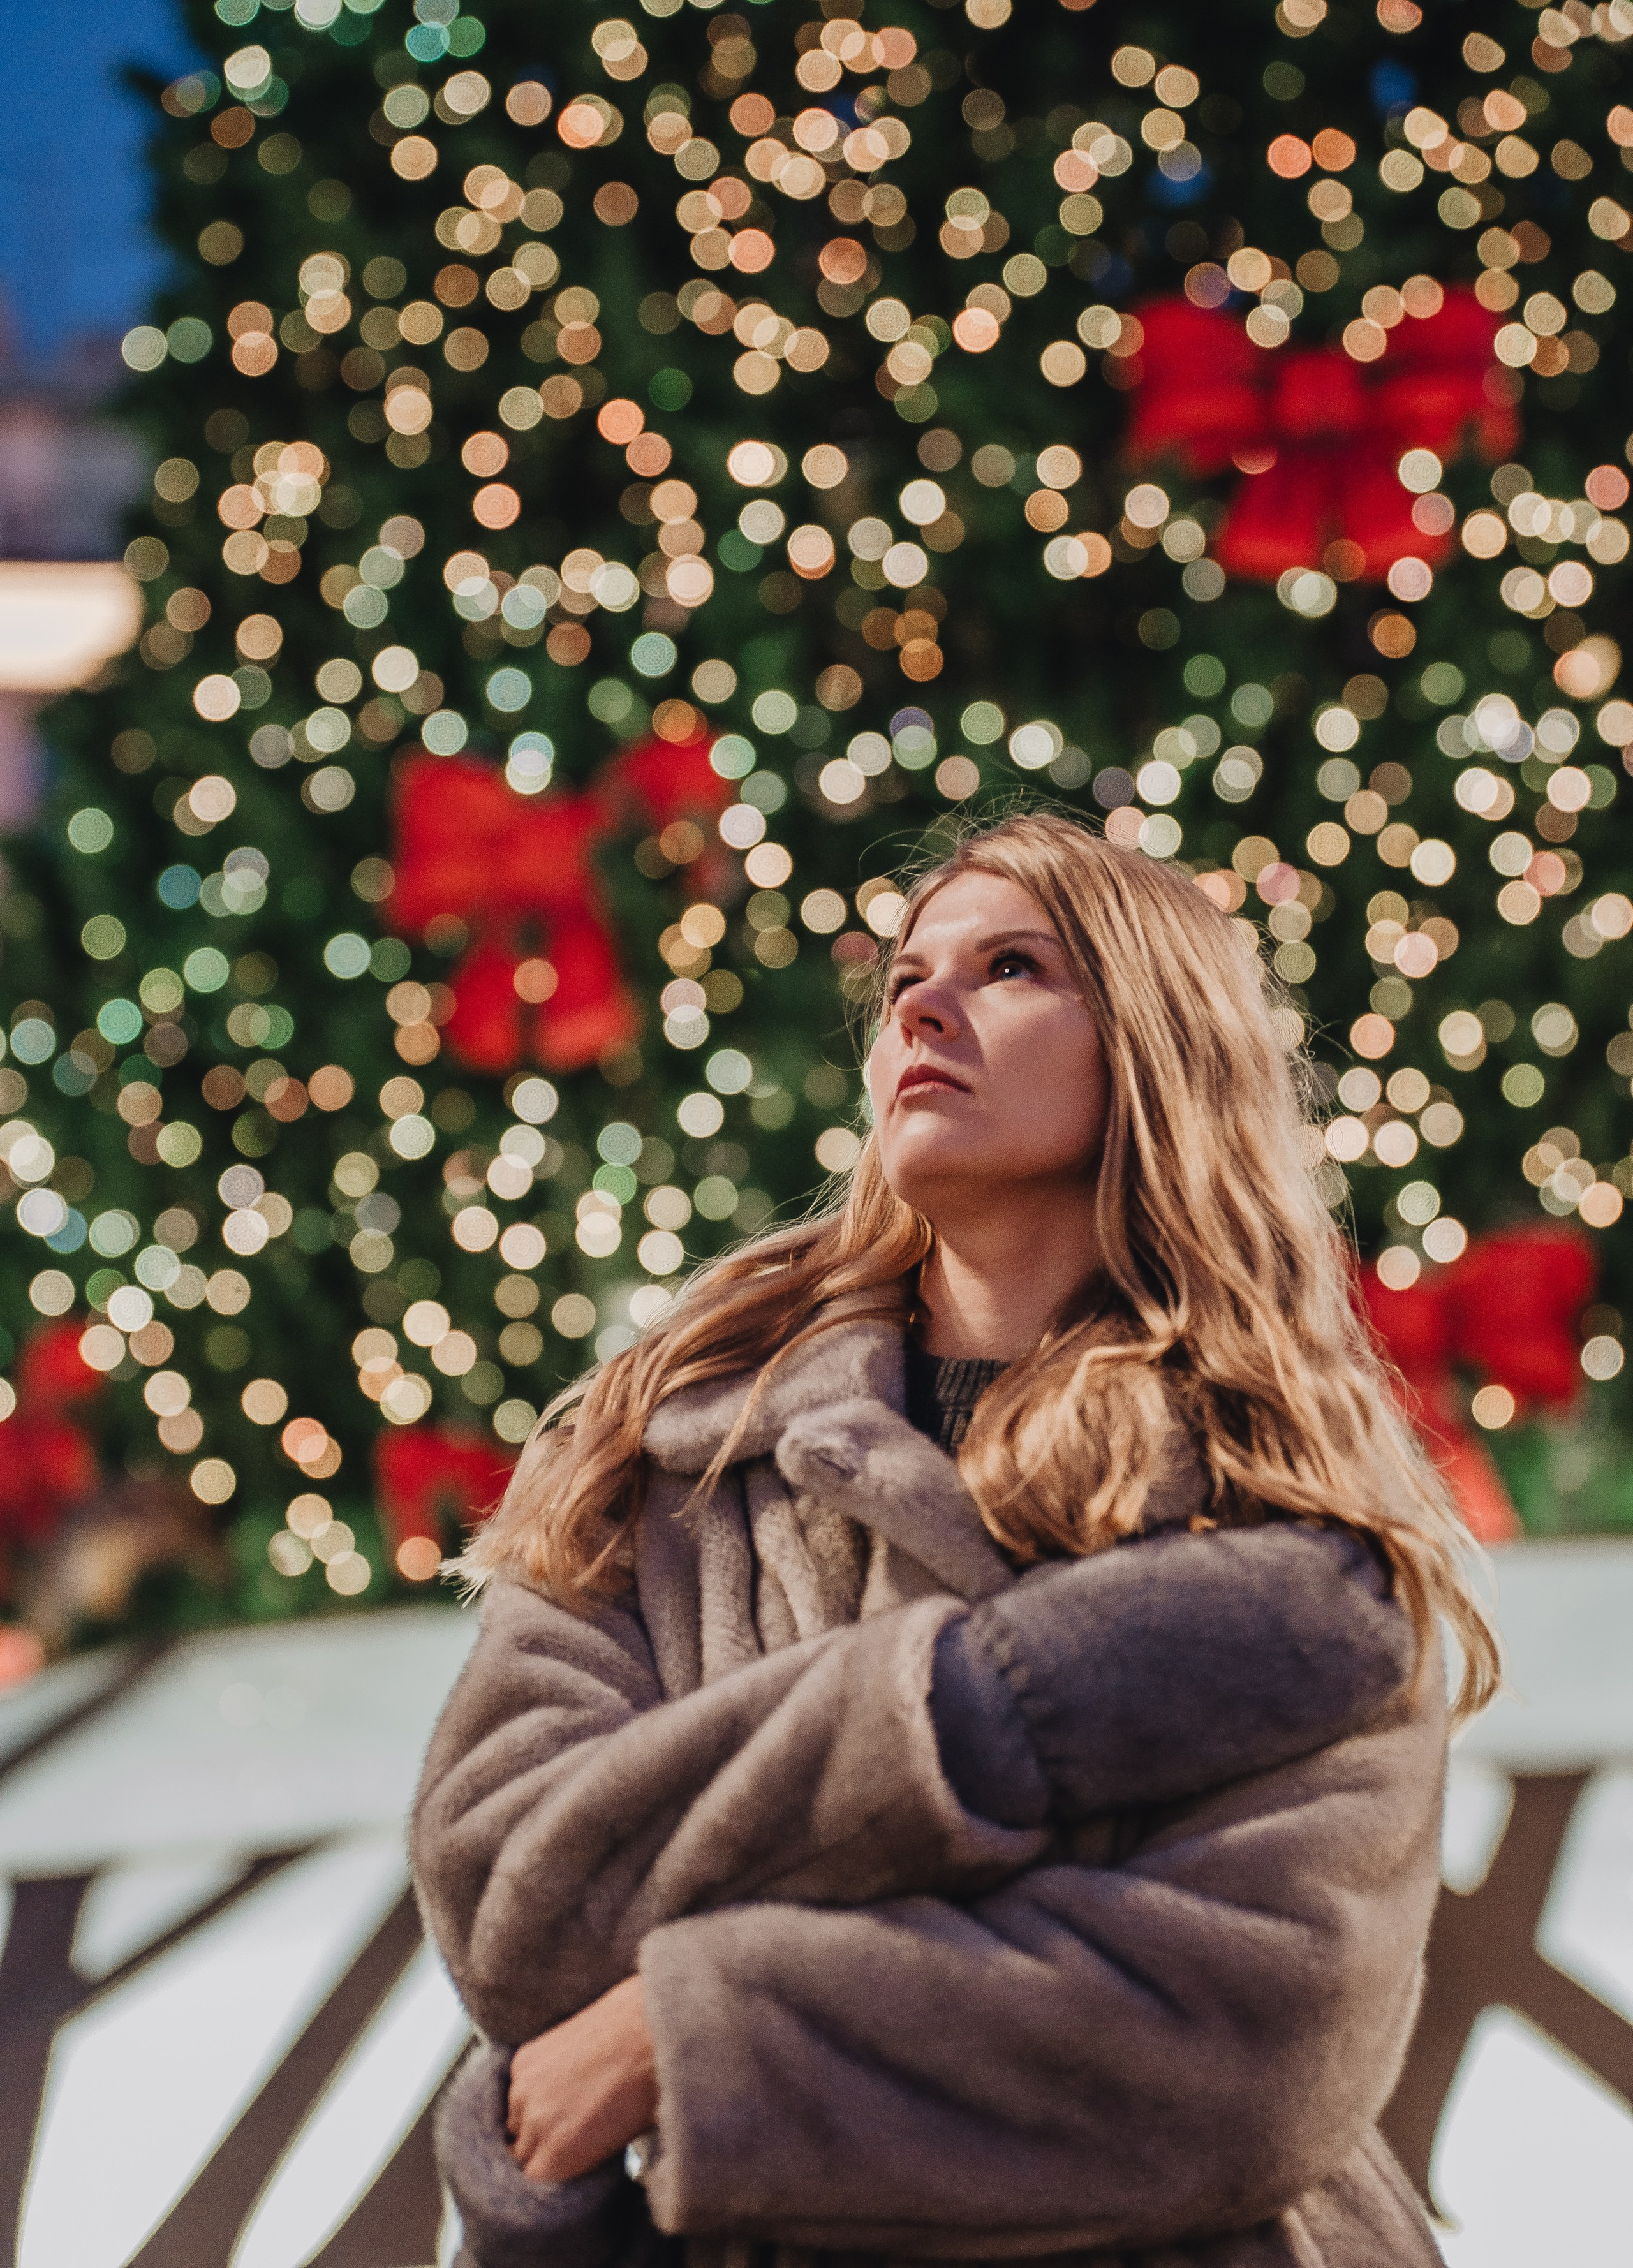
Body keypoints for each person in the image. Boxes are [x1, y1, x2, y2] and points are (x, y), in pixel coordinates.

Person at [413, 810, 1499, 2268]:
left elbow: (1243, 2047)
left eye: (1009, 968)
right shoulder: (668, 1441)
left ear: (1152, 1048)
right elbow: (508, 1892)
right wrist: (977, 1715)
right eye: (907, 975)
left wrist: (689, 2036)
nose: (921, 1002)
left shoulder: (1281, 1502)